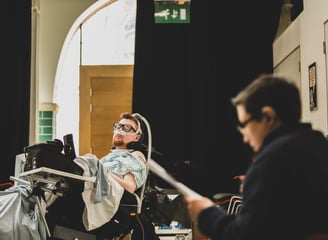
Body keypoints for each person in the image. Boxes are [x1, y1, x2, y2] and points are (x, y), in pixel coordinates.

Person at [184, 74, 328, 240]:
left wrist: (207, 215)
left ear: (268, 116)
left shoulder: (274, 159)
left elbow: (246, 235)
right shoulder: (318, 146)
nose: (245, 137)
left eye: (244, 124)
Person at [46, 112, 149, 238]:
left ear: (136, 137)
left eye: (126, 128)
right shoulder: (107, 159)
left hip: (113, 200)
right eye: (117, 126)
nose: (119, 130)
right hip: (88, 187)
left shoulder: (134, 157)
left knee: (88, 163)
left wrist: (100, 169)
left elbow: (129, 187)